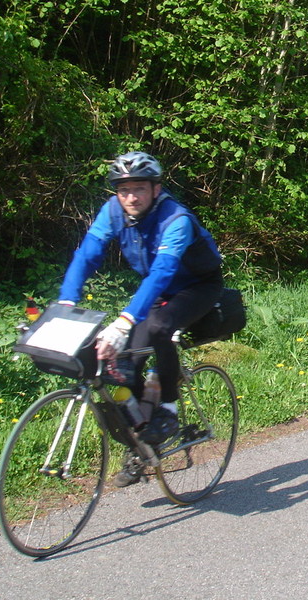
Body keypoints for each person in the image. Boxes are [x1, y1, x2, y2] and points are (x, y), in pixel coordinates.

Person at [58, 151, 224, 484]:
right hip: (161, 291)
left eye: (139, 189)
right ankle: (140, 443)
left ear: (156, 189)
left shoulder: (176, 219)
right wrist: (65, 302)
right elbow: (87, 255)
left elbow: (162, 273)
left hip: (197, 287)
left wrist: (124, 321)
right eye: (123, 190)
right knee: (122, 365)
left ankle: (168, 412)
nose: (131, 197)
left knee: (161, 327)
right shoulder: (113, 212)